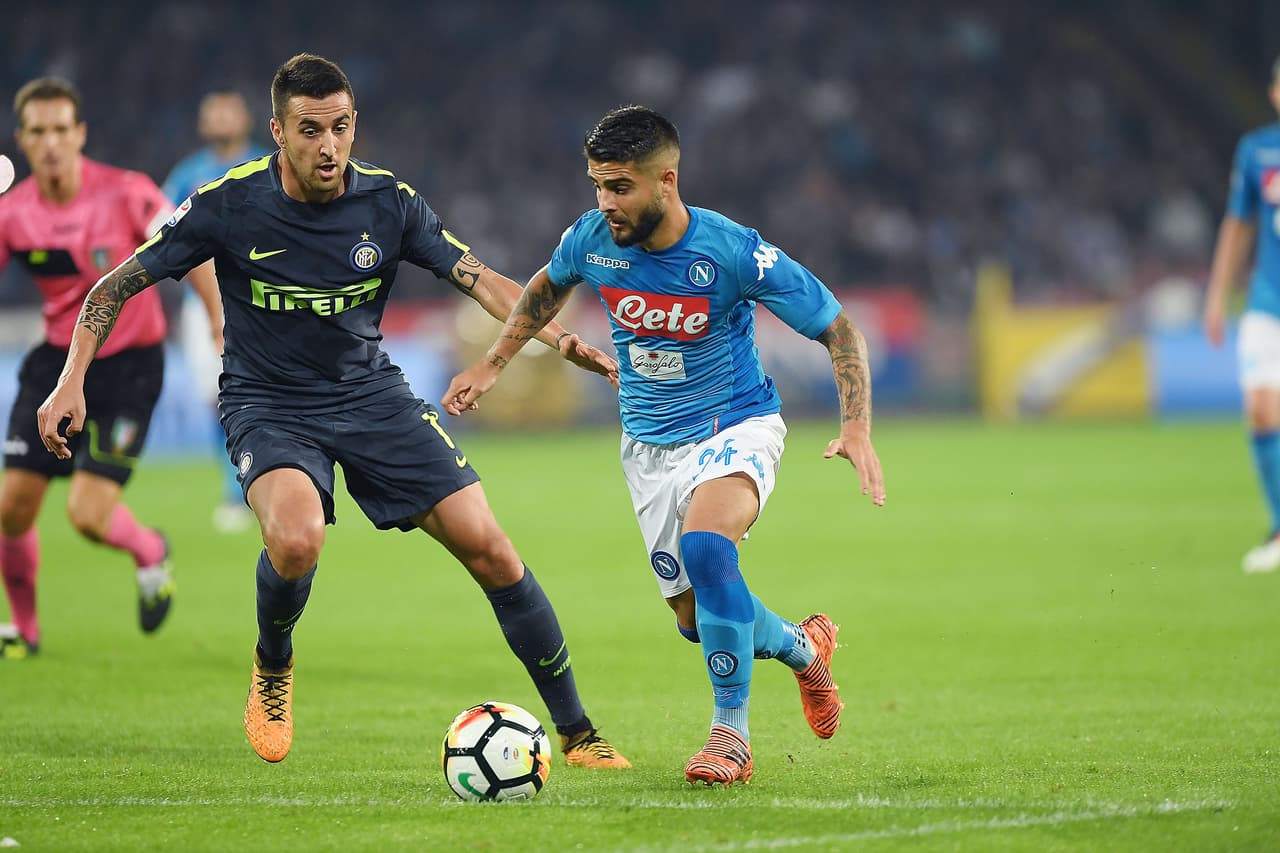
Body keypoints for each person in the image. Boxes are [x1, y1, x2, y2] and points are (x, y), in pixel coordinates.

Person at [36, 54, 631, 770]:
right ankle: (274, 663)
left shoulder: (389, 203)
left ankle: (578, 732)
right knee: (296, 540)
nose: (329, 146)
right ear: (277, 132)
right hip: (269, 401)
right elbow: (116, 284)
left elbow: (480, 278)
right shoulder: (226, 203)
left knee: (492, 548)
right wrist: (72, 378)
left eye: (341, 127)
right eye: (310, 130)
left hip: (370, 393)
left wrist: (558, 335)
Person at [445, 105, 886, 785]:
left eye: (619, 186)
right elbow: (543, 290)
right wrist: (493, 364)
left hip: (735, 425)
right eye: (596, 184)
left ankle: (730, 737)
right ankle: (804, 649)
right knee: (697, 620)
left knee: (708, 548)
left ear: (666, 181)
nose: (604, 202)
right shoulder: (590, 238)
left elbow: (839, 329)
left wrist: (855, 424)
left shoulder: (733, 251)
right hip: (649, 447)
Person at [0, 78, 222, 659]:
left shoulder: (125, 193)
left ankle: (150, 551)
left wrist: (220, 323)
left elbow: (187, 248)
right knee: (11, 507)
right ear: (22, 140)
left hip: (129, 367)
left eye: (60, 130)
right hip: (55, 361)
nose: (51, 143)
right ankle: (25, 630)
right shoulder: (13, 213)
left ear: (80, 135)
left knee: (86, 515)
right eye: (38, 132)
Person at [161, 91, 271, 534]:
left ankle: (273, 481)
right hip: (200, 304)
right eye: (213, 112)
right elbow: (160, 231)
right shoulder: (188, 175)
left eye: (229, 110)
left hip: (264, 298)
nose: (221, 118)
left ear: (246, 118)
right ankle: (235, 487)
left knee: (269, 392)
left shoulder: (269, 164)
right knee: (217, 399)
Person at [1204, 56, 1280, 574]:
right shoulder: (1257, 150)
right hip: (1268, 301)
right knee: (1261, 409)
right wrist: (1215, 295)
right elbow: (1238, 225)